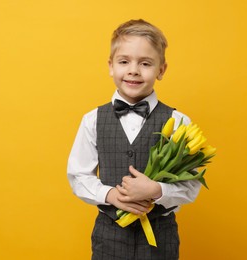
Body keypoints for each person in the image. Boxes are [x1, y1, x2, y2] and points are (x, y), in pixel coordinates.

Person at [67, 19, 201, 260]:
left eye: (146, 63)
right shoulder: (92, 120)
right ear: (111, 66)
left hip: (161, 239)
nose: (133, 70)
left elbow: (192, 186)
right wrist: (110, 195)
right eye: (124, 61)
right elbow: (78, 175)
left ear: (161, 70)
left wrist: (157, 189)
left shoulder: (179, 122)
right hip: (109, 238)